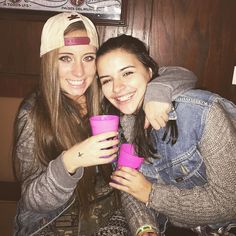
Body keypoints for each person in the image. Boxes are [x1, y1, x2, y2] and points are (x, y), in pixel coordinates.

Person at [12, 12, 197, 236]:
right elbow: (33, 201)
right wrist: (72, 160)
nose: (79, 71)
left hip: (109, 206)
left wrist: (158, 92)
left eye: (88, 58)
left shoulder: (111, 94)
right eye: (65, 58)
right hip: (51, 219)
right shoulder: (33, 114)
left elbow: (180, 74)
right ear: (48, 62)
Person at [95, 34, 236, 236]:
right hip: (170, 225)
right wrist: (144, 227)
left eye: (127, 73)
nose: (117, 88)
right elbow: (131, 186)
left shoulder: (199, 112)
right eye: (107, 80)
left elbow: (231, 201)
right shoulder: (118, 126)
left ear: (149, 72)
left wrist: (152, 195)